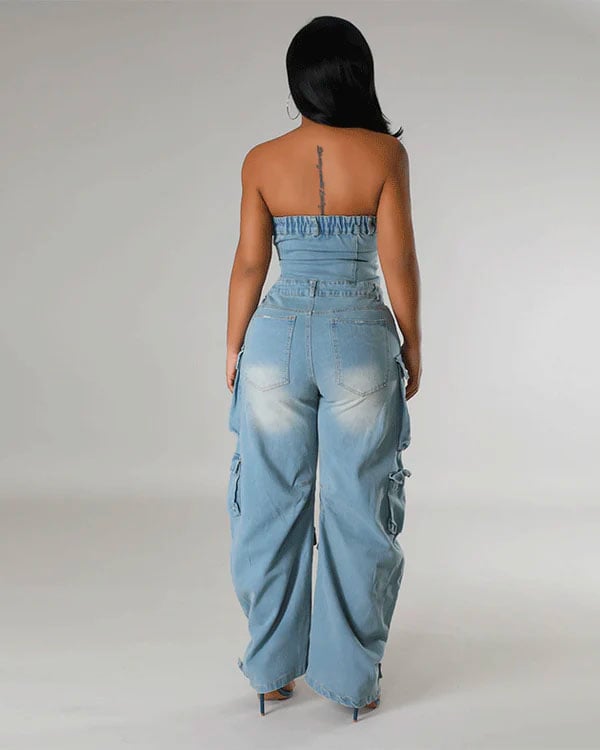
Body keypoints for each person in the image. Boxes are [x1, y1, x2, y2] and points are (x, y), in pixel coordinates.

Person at [225, 15, 422, 721]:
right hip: (360, 340)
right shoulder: (384, 155)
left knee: (269, 506)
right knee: (358, 508)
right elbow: (398, 260)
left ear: (297, 81)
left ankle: (272, 671)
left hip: (274, 341)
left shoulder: (260, 160)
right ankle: (351, 679)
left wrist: (233, 346)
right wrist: (413, 341)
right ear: (358, 77)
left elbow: (250, 263)